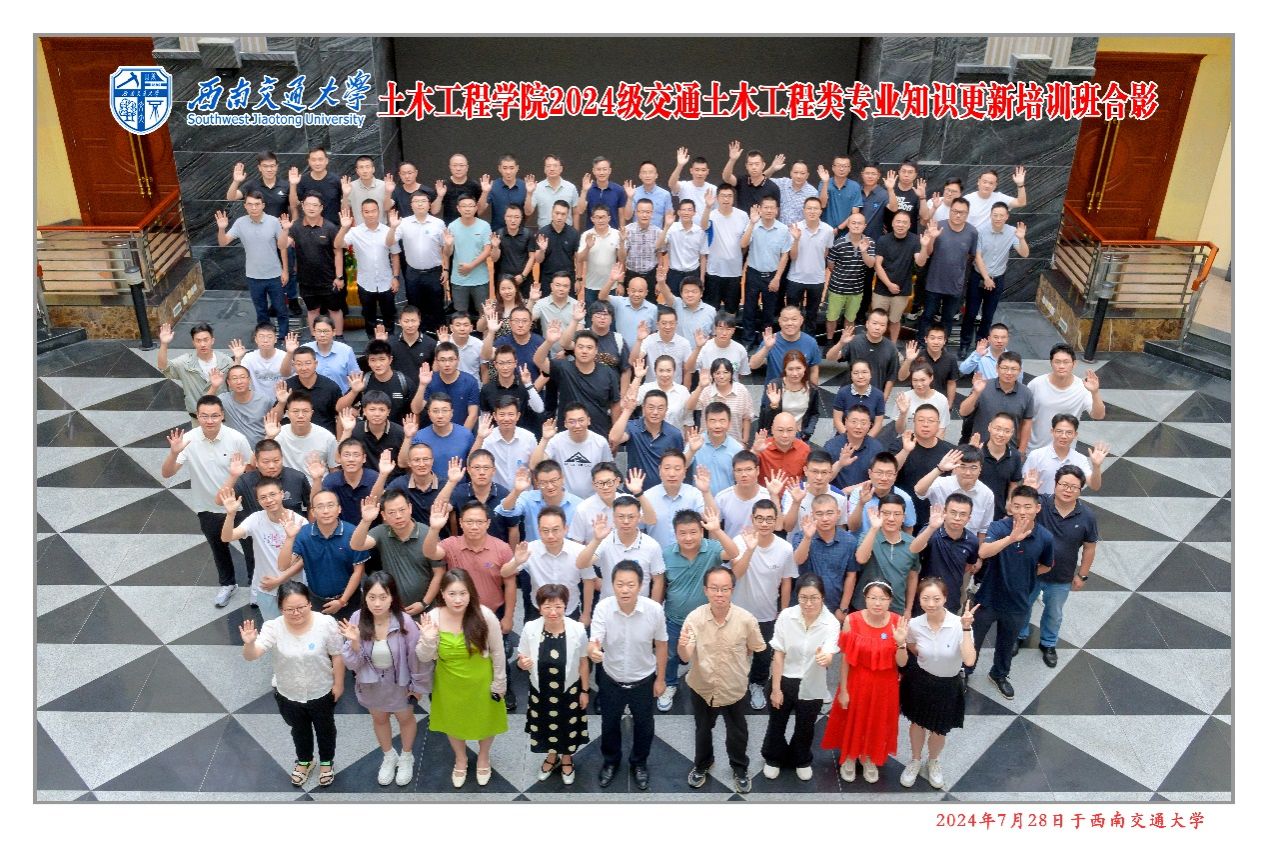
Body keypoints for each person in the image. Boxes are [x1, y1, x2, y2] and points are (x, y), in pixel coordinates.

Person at [239, 581, 344, 788]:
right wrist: (249, 643)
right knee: (299, 730)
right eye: (289, 609)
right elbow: (252, 655)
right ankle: (305, 761)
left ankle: (326, 762)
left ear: (309, 603)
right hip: (288, 692)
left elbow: (337, 655)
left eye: (301, 607)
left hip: (321, 690)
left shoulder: (325, 624)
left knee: (325, 729)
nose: (296, 613)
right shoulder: (273, 627)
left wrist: (338, 684)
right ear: (280, 608)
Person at [415, 568, 508, 788]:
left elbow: (497, 651)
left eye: (463, 593)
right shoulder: (433, 617)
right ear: (442, 594)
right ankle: (461, 758)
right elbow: (423, 657)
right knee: (453, 721)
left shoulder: (484, 615)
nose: (458, 600)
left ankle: (483, 757)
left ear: (471, 593)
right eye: (452, 594)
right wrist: (428, 639)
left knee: (485, 720)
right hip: (449, 682)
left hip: (481, 679)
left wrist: (499, 682)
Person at [679, 564, 767, 793]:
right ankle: (702, 764)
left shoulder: (746, 619)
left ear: (732, 590)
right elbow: (685, 655)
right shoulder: (695, 618)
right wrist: (683, 646)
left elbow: (756, 647)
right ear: (705, 590)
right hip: (702, 686)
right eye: (714, 588)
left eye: (725, 589)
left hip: (734, 686)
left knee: (737, 731)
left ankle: (739, 768)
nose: (720, 594)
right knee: (702, 729)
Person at [338, 571, 428, 787]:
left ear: (392, 597)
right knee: (379, 719)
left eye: (383, 597)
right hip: (371, 684)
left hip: (399, 684)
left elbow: (416, 657)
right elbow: (353, 664)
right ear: (365, 597)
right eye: (372, 597)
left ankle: (406, 756)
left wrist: (417, 686)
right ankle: (389, 756)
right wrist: (355, 643)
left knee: (405, 719)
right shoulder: (357, 619)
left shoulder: (405, 621)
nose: (377, 603)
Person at [162, 395, 253, 607]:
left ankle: (255, 585)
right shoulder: (188, 439)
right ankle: (227, 584)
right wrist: (173, 453)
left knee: (250, 547)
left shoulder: (237, 438)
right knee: (218, 547)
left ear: (222, 416)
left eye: (214, 416)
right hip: (206, 506)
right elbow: (167, 473)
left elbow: (250, 468)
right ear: (197, 416)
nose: (209, 421)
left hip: (238, 504)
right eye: (204, 416)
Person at [966, 485, 1053, 700]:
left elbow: (1047, 565)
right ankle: (965, 672)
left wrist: (1026, 574)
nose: (1022, 511)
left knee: (1006, 644)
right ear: (1010, 507)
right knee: (974, 639)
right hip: (988, 598)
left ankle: (999, 675)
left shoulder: (1044, 537)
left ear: (1037, 508)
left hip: (1018, 602)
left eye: (1027, 507)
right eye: (1017, 506)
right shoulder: (998, 527)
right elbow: (983, 552)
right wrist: (1011, 538)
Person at [589, 560, 669, 790]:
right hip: (611, 678)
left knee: (644, 725)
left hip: (643, 679)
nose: (625, 590)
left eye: (631, 585)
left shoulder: (654, 610)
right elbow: (595, 640)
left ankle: (639, 763)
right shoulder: (603, 607)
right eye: (620, 584)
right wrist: (593, 650)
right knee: (609, 724)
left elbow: (662, 644)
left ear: (641, 585)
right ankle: (611, 761)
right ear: (612, 584)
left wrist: (661, 679)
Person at [820, 579, 908, 783]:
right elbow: (846, 658)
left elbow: (902, 663)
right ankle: (850, 757)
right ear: (865, 598)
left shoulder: (897, 622)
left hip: (885, 685)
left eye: (883, 599)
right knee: (853, 720)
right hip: (857, 681)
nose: (877, 603)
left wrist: (901, 643)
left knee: (876, 722)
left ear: (890, 600)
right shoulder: (852, 620)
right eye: (873, 598)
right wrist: (843, 689)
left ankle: (868, 756)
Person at [897, 577, 978, 790]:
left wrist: (966, 629)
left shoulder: (959, 624)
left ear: (945, 598)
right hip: (920, 680)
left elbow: (969, 660)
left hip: (948, 684)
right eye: (925, 598)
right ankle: (915, 760)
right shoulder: (915, 624)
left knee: (940, 729)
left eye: (936, 598)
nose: (930, 604)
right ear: (919, 599)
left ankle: (933, 761)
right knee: (917, 723)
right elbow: (911, 645)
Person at [1016, 465, 1100, 668]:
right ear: (1055, 484)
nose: (1068, 490)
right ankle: (1018, 635)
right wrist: (1028, 492)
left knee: (1054, 613)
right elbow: (1016, 512)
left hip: (1062, 575)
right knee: (1023, 606)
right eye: (1064, 484)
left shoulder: (1087, 516)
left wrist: (1082, 575)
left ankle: (1048, 643)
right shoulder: (1040, 504)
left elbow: (1089, 547)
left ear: (1080, 490)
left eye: (1074, 487)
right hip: (1032, 571)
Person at [658, 508, 740, 712]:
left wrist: (717, 530)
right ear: (675, 533)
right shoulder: (666, 554)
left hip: (707, 620)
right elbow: (661, 585)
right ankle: (670, 684)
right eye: (682, 533)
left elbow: (734, 553)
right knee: (671, 656)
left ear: (702, 531)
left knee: (708, 656)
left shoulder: (712, 548)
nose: (688, 538)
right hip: (675, 618)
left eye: (693, 532)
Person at [761, 572, 841, 781]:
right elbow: (778, 654)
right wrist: (776, 689)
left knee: (805, 726)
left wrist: (826, 657)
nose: (808, 603)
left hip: (813, 682)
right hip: (784, 678)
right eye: (803, 597)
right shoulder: (787, 616)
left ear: (823, 597)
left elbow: (829, 652)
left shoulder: (831, 623)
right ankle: (773, 757)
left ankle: (801, 759)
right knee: (777, 723)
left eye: (814, 597)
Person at [517, 583, 591, 785]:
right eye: (547, 606)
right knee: (545, 725)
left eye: (558, 606)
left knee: (568, 725)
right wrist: (522, 664)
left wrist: (585, 690)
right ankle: (551, 757)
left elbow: (584, 661)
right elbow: (521, 658)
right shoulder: (530, 628)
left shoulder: (577, 629)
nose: (553, 612)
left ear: (565, 606)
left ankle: (566, 759)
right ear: (539, 607)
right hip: (541, 690)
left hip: (569, 689)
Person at [730, 502, 798, 709]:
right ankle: (734, 686)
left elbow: (787, 581)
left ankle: (757, 685)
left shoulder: (785, 548)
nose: (764, 523)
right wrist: (750, 549)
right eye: (759, 518)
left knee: (763, 655)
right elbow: (736, 574)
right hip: (738, 612)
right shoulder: (739, 541)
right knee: (735, 652)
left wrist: (783, 612)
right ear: (752, 519)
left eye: (769, 519)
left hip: (767, 613)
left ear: (776, 521)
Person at [218, 479, 307, 620]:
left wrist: (280, 580)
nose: (269, 500)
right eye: (263, 497)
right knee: (271, 627)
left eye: (273, 494)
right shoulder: (256, 519)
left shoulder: (299, 522)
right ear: (258, 501)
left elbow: (303, 560)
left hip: (294, 588)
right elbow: (227, 537)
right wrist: (230, 514)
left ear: (282, 494)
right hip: (266, 587)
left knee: (297, 625)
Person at [276, 489, 366, 620]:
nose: (326, 511)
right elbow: (283, 566)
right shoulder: (304, 534)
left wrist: (342, 601)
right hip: (316, 600)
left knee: (351, 631)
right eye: (320, 506)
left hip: (349, 600)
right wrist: (290, 538)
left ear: (339, 509)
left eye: (330, 505)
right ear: (313, 512)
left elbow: (358, 571)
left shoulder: (353, 532)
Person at [351, 489, 443, 615]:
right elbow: (356, 545)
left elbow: (439, 573)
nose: (398, 516)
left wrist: (424, 603)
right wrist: (366, 520)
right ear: (383, 515)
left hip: (426, 609)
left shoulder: (427, 533)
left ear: (410, 508)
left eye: (402, 510)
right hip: (393, 610)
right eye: (392, 512)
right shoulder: (381, 532)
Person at [503, 507, 596, 623]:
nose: (550, 536)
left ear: (565, 529)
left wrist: (586, 614)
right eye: (545, 531)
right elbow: (504, 573)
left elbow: (588, 581)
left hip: (569, 610)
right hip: (538, 609)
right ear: (539, 531)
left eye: (555, 530)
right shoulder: (530, 549)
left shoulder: (579, 551)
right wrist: (516, 562)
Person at [962, 203, 1030, 356]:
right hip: (978, 277)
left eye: (1001, 215)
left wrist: (1021, 239)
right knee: (970, 313)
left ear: (1007, 217)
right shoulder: (981, 231)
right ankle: (964, 345)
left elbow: (1025, 253)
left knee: (988, 315)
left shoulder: (1012, 232)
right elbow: (977, 256)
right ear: (990, 215)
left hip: (998, 278)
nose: (998, 218)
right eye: (995, 215)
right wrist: (986, 278)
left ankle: (981, 344)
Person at [216, 192, 288, 335]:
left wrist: (285, 270)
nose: (254, 208)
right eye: (250, 204)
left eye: (257, 204)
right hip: (253, 276)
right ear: (245, 206)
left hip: (274, 275)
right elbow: (223, 242)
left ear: (263, 205)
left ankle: (284, 336)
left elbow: (282, 246)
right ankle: (264, 337)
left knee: (281, 309)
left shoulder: (273, 221)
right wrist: (221, 228)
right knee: (261, 311)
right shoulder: (240, 223)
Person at [919, 199, 991, 340]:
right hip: (935, 281)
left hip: (955, 284)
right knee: (928, 315)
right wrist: (932, 237)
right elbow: (928, 252)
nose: (958, 215)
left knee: (948, 318)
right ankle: (922, 342)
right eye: (955, 211)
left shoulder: (972, 232)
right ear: (950, 211)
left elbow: (972, 255)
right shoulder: (938, 226)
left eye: (962, 212)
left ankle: (943, 344)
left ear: (967, 214)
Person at [535, 327, 622, 434]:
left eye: (589, 347)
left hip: (598, 434)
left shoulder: (608, 373)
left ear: (596, 350)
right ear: (574, 349)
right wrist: (549, 342)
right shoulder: (563, 368)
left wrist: (615, 432)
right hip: (567, 434)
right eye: (580, 347)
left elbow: (615, 404)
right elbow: (538, 360)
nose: (584, 351)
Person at [576, 496, 665, 601]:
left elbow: (658, 580)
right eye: (621, 516)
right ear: (614, 518)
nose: (626, 521)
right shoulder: (605, 541)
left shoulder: (652, 545)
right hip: (609, 606)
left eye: (631, 517)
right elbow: (581, 564)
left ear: (639, 518)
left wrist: (653, 608)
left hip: (640, 606)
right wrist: (596, 539)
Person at [336, 198, 400, 338]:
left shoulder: (388, 231)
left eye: (373, 211)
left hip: (386, 281)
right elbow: (338, 244)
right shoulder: (355, 232)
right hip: (365, 282)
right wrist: (344, 228)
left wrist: (396, 277)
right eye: (366, 211)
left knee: (389, 314)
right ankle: (372, 340)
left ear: (379, 212)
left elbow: (395, 255)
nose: (370, 214)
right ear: (362, 213)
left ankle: (390, 340)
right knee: (368, 316)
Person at [285, 193, 346, 337]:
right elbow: (282, 245)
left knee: (334, 310)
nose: (311, 208)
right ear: (302, 206)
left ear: (321, 208)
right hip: (306, 280)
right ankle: (314, 337)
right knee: (312, 310)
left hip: (329, 279)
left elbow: (338, 253)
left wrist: (339, 277)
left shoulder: (330, 228)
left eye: (315, 205)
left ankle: (339, 337)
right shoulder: (296, 227)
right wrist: (285, 230)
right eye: (307, 204)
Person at [1027, 344, 1107, 451]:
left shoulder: (1082, 388)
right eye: (1057, 362)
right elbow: (1024, 415)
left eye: (1066, 362)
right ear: (1051, 363)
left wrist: (1095, 393)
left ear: (1074, 363)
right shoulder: (1036, 384)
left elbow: (1099, 415)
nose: (1061, 366)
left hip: (1065, 452)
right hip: (1035, 449)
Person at [850, 496, 921, 614]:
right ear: (878, 514)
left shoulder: (912, 543)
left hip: (896, 609)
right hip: (865, 608)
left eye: (897, 514)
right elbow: (861, 559)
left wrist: (908, 609)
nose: (891, 518)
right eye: (886, 513)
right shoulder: (867, 536)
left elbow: (912, 577)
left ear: (904, 517)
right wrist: (874, 528)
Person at [909, 496, 980, 612]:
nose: (957, 518)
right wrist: (931, 527)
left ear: (969, 518)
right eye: (953, 512)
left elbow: (968, 566)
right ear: (945, 512)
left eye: (962, 514)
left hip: (951, 597)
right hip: (925, 597)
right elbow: (914, 548)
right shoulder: (931, 531)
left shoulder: (973, 541)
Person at [387, 193, 447, 331]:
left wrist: (446, 269)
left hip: (434, 272)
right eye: (416, 201)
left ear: (429, 204)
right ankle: (418, 335)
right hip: (413, 273)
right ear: (411, 205)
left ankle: (439, 336)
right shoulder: (403, 223)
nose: (420, 204)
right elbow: (389, 242)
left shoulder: (438, 223)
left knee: (437, 307)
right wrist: (393, 227)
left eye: (423, 201)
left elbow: (445, 248)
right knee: (414, 307)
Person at [872, 210, 932, 341]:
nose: (901, 225)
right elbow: (877, 265)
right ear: (892, 223)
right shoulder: (883, 240)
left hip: (902, 290)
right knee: (877, 321)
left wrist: (924, 247)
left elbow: (920, 262)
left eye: (904, 222)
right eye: (898, 221)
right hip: (882, 289)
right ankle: (876, 345)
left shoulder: (915, 240)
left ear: (910, 225)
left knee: (895, 320)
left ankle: (892, 346)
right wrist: (889, 284)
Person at [739, 196, 792, 345]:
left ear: (777, 210)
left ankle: (765, 342)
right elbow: (743, 244)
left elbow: (785, 255)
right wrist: (752, 223)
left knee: (769, 312)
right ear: (760, 210)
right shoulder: (753, 225)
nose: (769, 210)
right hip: (753, 273)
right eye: (766, 207)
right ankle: (747, 340)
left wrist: (777, 278)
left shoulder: (783, 229)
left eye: (772, 208)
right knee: (749, 310)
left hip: (772, 275)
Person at [608, 389, 684, 488]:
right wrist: (627, 410)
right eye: (651, 407)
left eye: (660, 408)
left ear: (666, 410)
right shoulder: (632, 427)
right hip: (634, 490)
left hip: (663, 491)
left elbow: (680, 464)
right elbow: (614, 438)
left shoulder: (674, 434)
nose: (655, 412)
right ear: (643, 408)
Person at [959, 351, 1035, 449]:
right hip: (980, 448)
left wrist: (1021, 450)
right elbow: (963, 412)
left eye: (1013, 369)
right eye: (1004, 368)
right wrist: (976, 393)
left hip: (1009, 450)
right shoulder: (983, 386)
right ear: (997, 368)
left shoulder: (1026, 393)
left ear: (1020, 370)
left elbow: (1026, 423)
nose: (1009, 372)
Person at [913, 447, 995, 538]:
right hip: (937, 539)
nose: (968, 472)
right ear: (955, 467)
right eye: (962, 466)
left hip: (968, 543)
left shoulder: (987, 494)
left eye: (973, 468)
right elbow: (918, 490)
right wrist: (939, 469)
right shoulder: (941, 483)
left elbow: (983, 529)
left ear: (980, 469)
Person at [535, 403, 614, 499]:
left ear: (588, 421)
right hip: (563, 500)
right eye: (572, 421)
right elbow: (535, 465)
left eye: (581, 420)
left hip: (592, 499)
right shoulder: (556, 441)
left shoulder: (600, 442)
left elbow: (609, 471)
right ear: (565, 423)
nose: (577, 425)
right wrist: (544, 439)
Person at [157, 321, 233, 416]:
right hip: (197, 415)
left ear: (212, 340)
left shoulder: (225, 360)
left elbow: (234, 383)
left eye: (206, 340)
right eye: (198, 341)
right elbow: (164, 367)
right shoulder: (185, 362)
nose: (202, 344)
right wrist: (164, 344)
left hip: (223, 414)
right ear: (193, 342)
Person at [822, 213, 876, 341]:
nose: (856, 226)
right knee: (832, 317)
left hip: (856, 290)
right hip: (837, 288)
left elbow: (870, 264)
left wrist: (864, 251)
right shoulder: (839, 243)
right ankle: (829, 340)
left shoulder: (869, 242)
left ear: (865, 226)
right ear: (848, 225)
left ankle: (847, 342)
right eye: (853, 223)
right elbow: (830, 264)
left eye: (859, 223)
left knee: (850, 318)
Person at [826, 309, 900, 400]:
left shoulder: (891, 348)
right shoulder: (854, 341)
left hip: (874, 396)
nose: (878, 328)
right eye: (874, 323)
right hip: (849, 395)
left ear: (886, 327)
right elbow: (830, 358)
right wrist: (841, 343)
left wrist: (883, 398)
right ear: (867, 324)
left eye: (882, 325)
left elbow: (891, 377)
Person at [785, 195, 833, 337]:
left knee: (812, 315)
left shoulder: (828, 230)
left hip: (817, 279)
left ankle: (809, 342)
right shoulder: (795, 228)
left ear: (821, 211)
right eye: (809, 208)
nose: (812, 211)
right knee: (792, 315)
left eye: (815, 209)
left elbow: (825, 253)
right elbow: (792, 256)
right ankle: (792, 338)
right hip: (795, 278)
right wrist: (796, 240)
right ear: (804, 210)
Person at [407, 394, 475, 484]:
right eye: (435, 411)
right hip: (429, 488)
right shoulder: (419, 436)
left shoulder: (466, 435)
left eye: (445, 411)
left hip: (459, 488)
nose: (440, 415)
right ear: (429, 413)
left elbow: (474, 463)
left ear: (452, 412)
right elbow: (405, 464)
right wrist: (407, 437)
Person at [444, 196, 493, 320]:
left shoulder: (484, 226)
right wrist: (448, 245)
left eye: (471, 206)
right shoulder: (452, 226)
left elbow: (487, 250)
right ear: (458, 208)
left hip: (480, 279)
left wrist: (471, 266)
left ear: (476, 208)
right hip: (459, 279)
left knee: (484, 313)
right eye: (464, 206)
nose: (467, 209)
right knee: (460, 315)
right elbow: (447, 253)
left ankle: (483, 333)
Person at [757, 350, 823, 443]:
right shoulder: (775, 386)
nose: (795, 373)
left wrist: (808, 432)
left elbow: (814, 413)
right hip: (776, 435)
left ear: (805, 368)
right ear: (785, 369)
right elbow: (765, 418)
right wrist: (774, 405)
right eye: (790, 369)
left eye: (798, 368)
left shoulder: (812, 389)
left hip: (800, 435)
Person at [479, 348, 545, 438]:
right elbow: (485, 417)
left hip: (523, 436)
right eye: (501, 363)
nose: (505, 367)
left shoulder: (525, 386)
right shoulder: (487, 389)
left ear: (515, 363)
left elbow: (539, 409)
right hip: (497, 437)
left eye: (509, 363)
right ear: (495, 365)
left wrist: (528, 384)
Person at [748, 305, 822, 384]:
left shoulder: (810, 342)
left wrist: (814, 389)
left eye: (794, 319)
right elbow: (753, 365)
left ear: (801, 320)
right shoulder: (771, 340)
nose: (789, 323)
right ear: (780, 321)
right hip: (774, 390)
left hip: (800, 390)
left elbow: (814, 370)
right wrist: (766, 348)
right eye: (785, 320)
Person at [703, 183, 748, 313]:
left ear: (733, 198)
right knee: (712, 310)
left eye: (729, 196)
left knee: (732, 311)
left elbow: (745, 243)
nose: (726, 199)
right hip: (714, 271)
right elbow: (703, 226)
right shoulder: (711, 215)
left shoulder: (743, 216)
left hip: (734, 272)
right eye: (723, 196)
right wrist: (707, 206)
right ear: (717, 198)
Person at [971, 412, 1025, 520]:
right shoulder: (977, 451)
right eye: (997, 429)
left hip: (999, 514)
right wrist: (971, 456)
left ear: (1012, 433)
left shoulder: (1015, 456)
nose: (1001, 434)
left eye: (1007, 431)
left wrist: (1009, 505)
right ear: (989, 427)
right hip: (973, 512)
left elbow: (1013, 484)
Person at [685, 359, 753, 445]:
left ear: (731, 374)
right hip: (707, 443)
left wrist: (744, 440)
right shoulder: (706, 390)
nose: (722, 376)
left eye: (725, 372)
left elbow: (747, 417)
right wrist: (700, 386)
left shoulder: (741, 390)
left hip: (734, 442)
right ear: (712, 375)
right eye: (717, 373)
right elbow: (689, 406)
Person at [279, 346, 343, 436]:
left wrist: (339, 441)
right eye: (299, 364)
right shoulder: (287, 386)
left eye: (308, 363)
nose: (304, 368)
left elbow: (340, 416)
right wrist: (281, 403)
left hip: (324, 437)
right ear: (293, 365)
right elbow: (275, 418)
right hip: (293, 438)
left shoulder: (331, 387)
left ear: (316, 363)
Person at [415, 343, 481, 430]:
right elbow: (416, 410)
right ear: (436, 361)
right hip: (434, 432)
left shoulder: (470, 381)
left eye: (451, 359)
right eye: (442, 360)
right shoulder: (429, 380)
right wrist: (422, 385)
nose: (447, 364)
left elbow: (473, 415)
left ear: (458, 360)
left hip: (461, 431)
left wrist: (462, 435)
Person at [683, 399, 745, 489]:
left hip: (726, 497)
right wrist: (691, 451)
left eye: (722, 421)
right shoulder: (695, 441)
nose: (717, 426)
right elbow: (681, 466)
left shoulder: (737, 448)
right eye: (712, 421)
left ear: (729, 423)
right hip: (699, 496)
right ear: (706, 422)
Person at [823, 406, 886, 490]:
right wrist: (839, 464)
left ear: (870, 425)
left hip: (865, 494)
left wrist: (852, 489)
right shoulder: (831, 446)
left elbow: (880, 479)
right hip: (836, 495)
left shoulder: (877, 448)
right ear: (845, 422)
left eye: (863, 423)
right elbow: (823, 479)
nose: (858, 426)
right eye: (854, 422)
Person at [657, 200, 710, 297]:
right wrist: (666, 226)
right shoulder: (671, 228)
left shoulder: (700, 232)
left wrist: (702, 278)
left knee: (691, 302)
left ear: (694, 212)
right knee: (673, 303)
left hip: (693, 274)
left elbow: (703, 257)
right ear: (678, 212)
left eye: (689, 210)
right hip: (674, 274)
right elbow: (659, 245)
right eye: (683, 210)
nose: (686, 212)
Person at [217, 364, 274, 449]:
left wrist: (281, 402)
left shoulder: (264, 400)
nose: (239, 382)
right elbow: (204, 407)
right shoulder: (223, 400)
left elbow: (276, 419)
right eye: (234, 378)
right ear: (228, 382)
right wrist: (214, 387)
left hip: (260, 449)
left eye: (242, 377)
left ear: (249, 380)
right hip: (233, 450)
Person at [577, 206, 623, 306]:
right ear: (592, 219)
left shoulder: (617, 234)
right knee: (591, 314)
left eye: (603, 217)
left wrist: (620, 283)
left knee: (609, 314)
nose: (600, 220)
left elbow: (622, 260)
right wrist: (588, 247)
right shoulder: (586, 235)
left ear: (609, 218)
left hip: (611, 285)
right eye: (597, 217)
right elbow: (579, 259)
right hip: (591, 286)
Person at [491, 203, 540, 296]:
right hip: (503, 281)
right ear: (504, 218)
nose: (513, 220)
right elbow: (494, 259)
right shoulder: (498, 234)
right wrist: (495, 247)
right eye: (509, 216)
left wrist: (523, 276)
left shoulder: (528, 234)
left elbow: (532, 257)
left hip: (524, 280)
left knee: (526, 304)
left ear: (521, 218)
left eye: (516, 217)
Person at [721, 140, 781, 214]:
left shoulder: (773, 187)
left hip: (762, 221)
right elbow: (726, 177)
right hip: (743, 220)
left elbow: (776, 211)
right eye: (751, 164)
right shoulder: (741, 181)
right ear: (746, 166)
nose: (754, 167)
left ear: (763, 165)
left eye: (757, 164)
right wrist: (732, 159)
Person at [830, 359, 886, 439]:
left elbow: (878, 423)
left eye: (864, 372)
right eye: (856, 373)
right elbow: (837, 420)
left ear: (870, 374)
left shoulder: (878, 395)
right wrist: (850, 438)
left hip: (868, 437)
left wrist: (866, 440)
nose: (860, 376)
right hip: (844, 436)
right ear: (851, 375)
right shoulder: (842, 393)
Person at [893, 362, 950, 439]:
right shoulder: (904, 398)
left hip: (930, 442)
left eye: (923, 380)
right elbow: (899, 430)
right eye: (915, 380)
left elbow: (941, 429)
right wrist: (903, 414)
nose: (919, 384)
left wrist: (931, 445)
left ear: (931, 378)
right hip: (907, 440)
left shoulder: (941, 400)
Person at [635, 355, 691, 430]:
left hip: (675, 436)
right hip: (648, 435)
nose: (665, 375)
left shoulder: (683, 391)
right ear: (655, 371)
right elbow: (628, 404)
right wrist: (638, 378)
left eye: (668, 370)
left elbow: (688, 420)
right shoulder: (645, 388)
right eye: (661, 370)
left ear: (674, 371)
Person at [288, 147, 341, 225]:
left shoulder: (336, 180)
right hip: (308, 227)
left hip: (332, 227)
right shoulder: (302, 180)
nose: (317, 163)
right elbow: (294, 205)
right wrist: (293, 185)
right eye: (313, 160)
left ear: (326, 161)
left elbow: (344, 204)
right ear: (309, 161)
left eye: (320, 159)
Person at [481, 154, 535, 229]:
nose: (508, 172)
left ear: (517, 168)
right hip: (497, 231)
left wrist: (529, 193)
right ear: (499, 168)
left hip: (519, 233)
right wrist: (484, 192)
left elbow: (528, 213)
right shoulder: (493, 186)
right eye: (505, 168)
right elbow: (479, 211)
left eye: (511, 168)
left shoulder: (525, 186)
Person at [431, 152, 482, 224]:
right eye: (455, 165)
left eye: (461, 165)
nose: (458, 169)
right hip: (450, 227)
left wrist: (485, 192)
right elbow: (434, 211)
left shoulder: (475, 185)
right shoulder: (443, 185)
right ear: (450, 167)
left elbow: (480, 210)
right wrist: (440, 196)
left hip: (471, 226)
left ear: (467, 167)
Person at [538, 200, 581, 281]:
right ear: (552, 212)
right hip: (547, 279)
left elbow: (578, 259)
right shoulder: (542, 233)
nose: (559, 217)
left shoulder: (574, 234)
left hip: (568, 279)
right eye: (557, 213)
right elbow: (538, 260)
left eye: (563, 214)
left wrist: (579, 279)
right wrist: (542, 250)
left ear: (567, 215)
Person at [818, 156, 864, 232]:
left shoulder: (855, 186)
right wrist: (825, 182)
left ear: (849, 169)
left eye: (845, 166)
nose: (842, 169)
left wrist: (839, 229)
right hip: (825, 229)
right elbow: (822, 204)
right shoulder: (824, 183)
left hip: (846, 231)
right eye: (839, 165)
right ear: (833, 167)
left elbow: (855, 213)